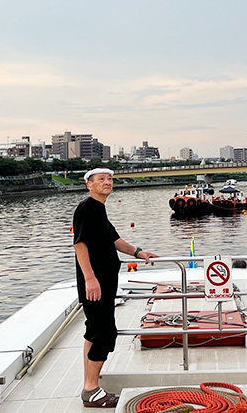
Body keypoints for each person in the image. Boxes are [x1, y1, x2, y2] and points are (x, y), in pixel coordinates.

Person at [73, 167, 157, 408]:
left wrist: (139, 252)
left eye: (109, 179)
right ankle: (91, 389)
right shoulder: (87, 209)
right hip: (95, 284)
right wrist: (90, 278)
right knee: (105, 332)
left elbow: (114, 240)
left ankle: (90, 382)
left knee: (94, 330)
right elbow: (79, 244)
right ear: (89, 184)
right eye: (101, 179)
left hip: (103, 283)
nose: (107, 182)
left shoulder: (99, 210)